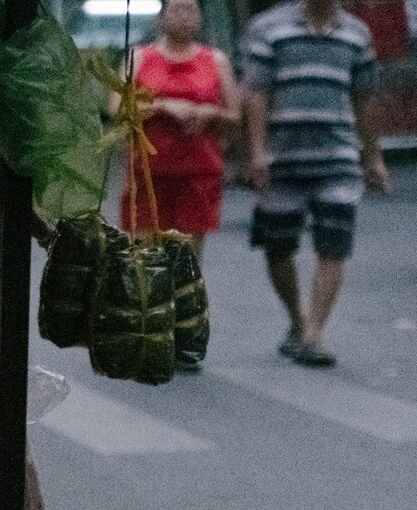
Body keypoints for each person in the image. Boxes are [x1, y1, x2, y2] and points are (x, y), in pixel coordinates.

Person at [243, 0, 388, 369]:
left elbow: (364, 96)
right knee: (278, 249)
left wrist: (372, 155)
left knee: (334, 244)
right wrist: (257, 151)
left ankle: (312, 334)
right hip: (282, 158)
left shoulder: (356, 34)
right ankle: (297, 318)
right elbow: (256, 94)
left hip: (338, 157)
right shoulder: (268, 28)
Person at [117, 0, 237, 260]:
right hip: (147, 173)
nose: (185, 17)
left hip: (198, 174)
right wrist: (161, 106)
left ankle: (184, 300)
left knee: (187, 260)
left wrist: (209, 112)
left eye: (191, 10)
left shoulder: (216, 60)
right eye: (177, 10)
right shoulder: (139, 58)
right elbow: (117, 109)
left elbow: (235, 116)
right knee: (144, 259)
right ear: (161, 17)